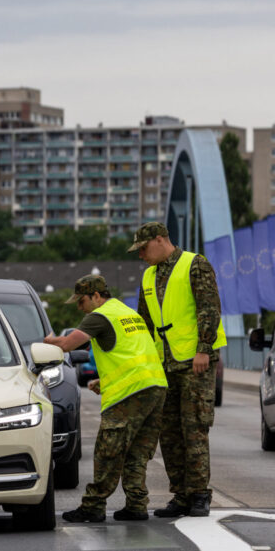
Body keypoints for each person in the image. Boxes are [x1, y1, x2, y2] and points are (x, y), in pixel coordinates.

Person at [44, 275, 168, 523]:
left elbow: (67, 344)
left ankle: (93, 506)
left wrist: (46, 341)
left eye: (82, 301)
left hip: (130, 393)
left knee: (107, 451)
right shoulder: (127, 312)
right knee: (136, 452)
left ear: (97, 296)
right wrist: (106, 380)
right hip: (154, 387)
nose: (80, 307)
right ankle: (136, 504)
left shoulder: (99, 316)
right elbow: (132, 352)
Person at [130, 222, 227, 518]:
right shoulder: (149, 275)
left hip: (194, 362)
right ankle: (181, 495)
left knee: (194, 427)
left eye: (144, 249)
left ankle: (199, 494)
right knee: (169, 433)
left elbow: (208, 308)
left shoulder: (194, 264)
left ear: (160, 240)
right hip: (164, 364)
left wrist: (203, 349)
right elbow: (144, 324)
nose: (141, 256)